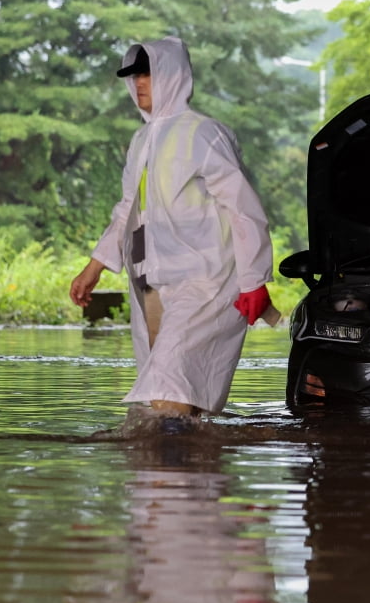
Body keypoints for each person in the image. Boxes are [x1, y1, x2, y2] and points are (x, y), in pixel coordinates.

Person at [69, 36, 274, 426]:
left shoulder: (203, 133)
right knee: (172, 394)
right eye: (133, 76)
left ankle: (167, 479)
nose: (139, 83)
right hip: (153, 283)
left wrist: (253, 280)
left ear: (173, 75)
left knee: (170, 386)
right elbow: (128, 208)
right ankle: (187, 479)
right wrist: (94, 267)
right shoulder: (141, 140)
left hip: (206, 280)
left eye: (147, 73)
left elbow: (242, 207)